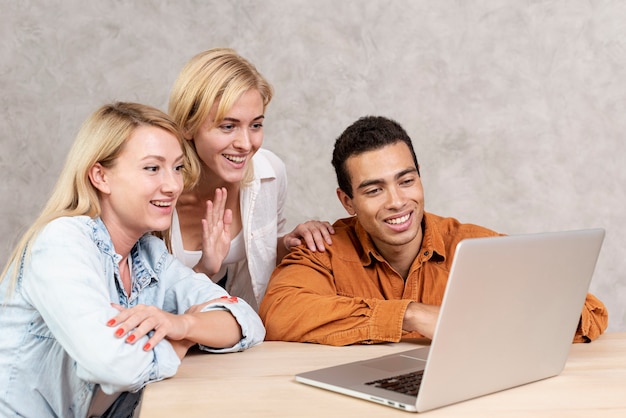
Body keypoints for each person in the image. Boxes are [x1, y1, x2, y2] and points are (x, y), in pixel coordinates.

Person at [0, 102, 265, 418]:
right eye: (152, 168)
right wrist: (179, 342)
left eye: (177, 168)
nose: (172, 186)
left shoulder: (149, 254)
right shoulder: (62, 243)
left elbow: (245, 320)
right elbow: (114, 367)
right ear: (101, 176)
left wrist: (181, 323)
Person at [259, 115, 608, 346]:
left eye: (406, 181)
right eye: (373, 189)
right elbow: (278, 315)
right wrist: (412, 314)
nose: (397, 201)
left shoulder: (471, 244)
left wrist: (496, 317)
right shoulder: (323, 249)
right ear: (347, 201)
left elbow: (588, 313)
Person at [167, 48, 334, 311]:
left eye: (255, 125)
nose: (246, 144)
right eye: (227, 126)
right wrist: (204, 269)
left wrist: (289, 243)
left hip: (245, 335)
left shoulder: (270, 172)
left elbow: (260, 254)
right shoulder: (159, 193)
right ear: (188, 125)